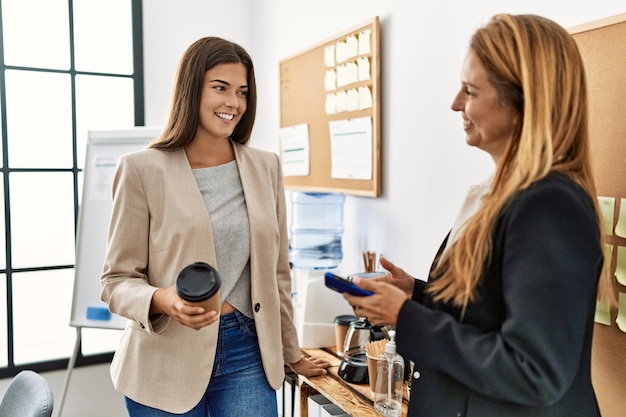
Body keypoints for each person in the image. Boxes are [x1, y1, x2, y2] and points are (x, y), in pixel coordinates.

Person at [344, 14, 618, 417]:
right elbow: (492, 313)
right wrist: (416, 296)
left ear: (523, 101)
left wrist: (407, 318)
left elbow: (534, 372)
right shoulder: (498, 193)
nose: (456, 103)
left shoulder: (550, 207)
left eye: (470, 91)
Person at [100, 36, 329, 417]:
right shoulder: (141, 170)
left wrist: (292, 354)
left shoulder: (266, 167)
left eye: (242, 91)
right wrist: (165, 300)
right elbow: (115, 281)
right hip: (164, 357)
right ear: (191, 91)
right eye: (220, 88)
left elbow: (277, 275)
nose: (233, 103)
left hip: (247, 350)